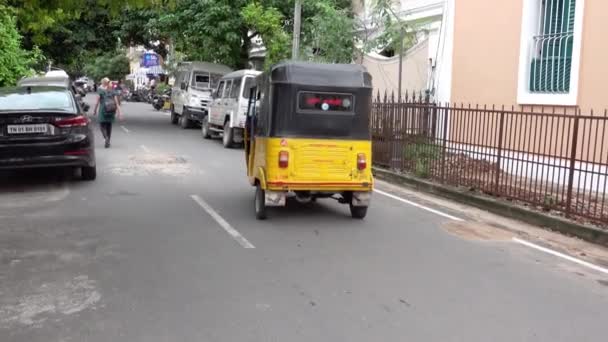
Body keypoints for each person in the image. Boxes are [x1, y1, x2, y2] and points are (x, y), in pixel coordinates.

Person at [93, 77, 122, 148]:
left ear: (103, 83)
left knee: (102, 125)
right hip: (111, 110)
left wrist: (95, 110)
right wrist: (119, 113)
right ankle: (108, 141)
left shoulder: (100, 90)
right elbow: (117, 103)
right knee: (109, 126)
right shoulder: (113, 91)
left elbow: (97, 102)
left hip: (103, 110)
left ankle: (106, 138)